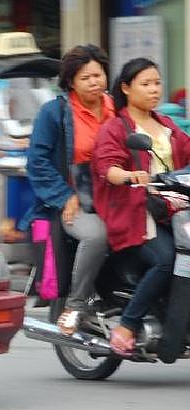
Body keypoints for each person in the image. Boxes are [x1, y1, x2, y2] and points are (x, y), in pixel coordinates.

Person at [93, 57, 190, 356]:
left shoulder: (167, 125)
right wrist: (128, 175)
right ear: (126, 88)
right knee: (167, 259)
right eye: (145, 84)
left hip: (175, 208)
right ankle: (128, 323)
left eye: (157, 83)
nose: (154, 90)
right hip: (136, 209)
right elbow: (106, 165)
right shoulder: (116, 127)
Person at [22, 45, 113, 335]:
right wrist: (65, 197)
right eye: (85, 78)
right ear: (71, 82)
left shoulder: (117, 108)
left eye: (98, 75)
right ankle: (75, 305)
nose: (94, 82)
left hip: (116, 198)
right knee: (97, 235)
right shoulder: (55, 112)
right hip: (77, 202)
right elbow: (37, 162)